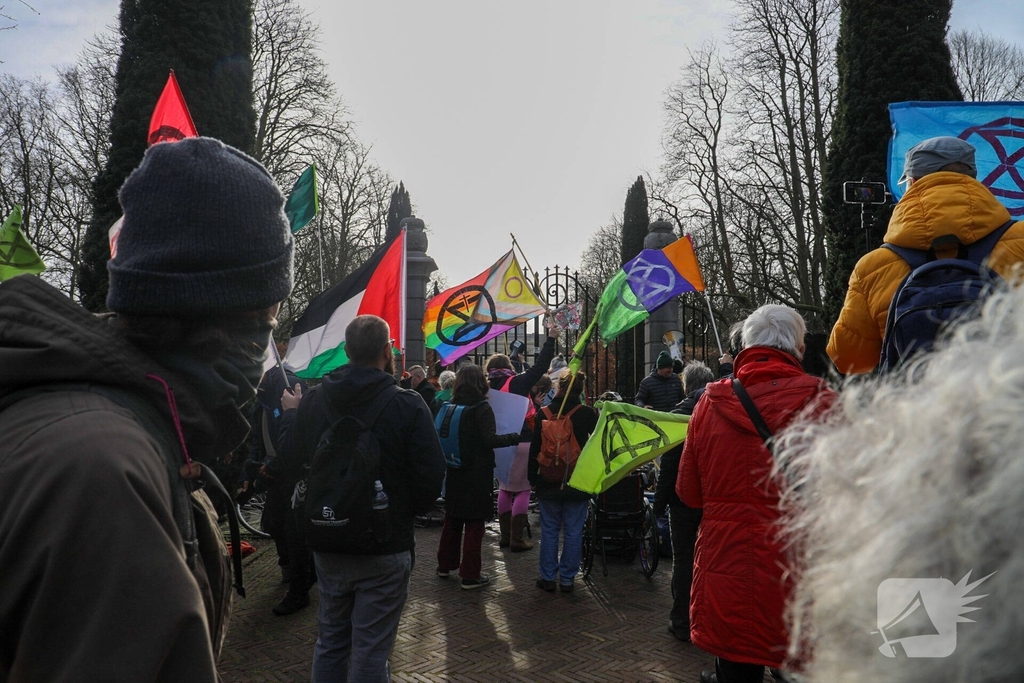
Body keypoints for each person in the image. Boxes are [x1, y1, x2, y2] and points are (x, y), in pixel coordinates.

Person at [0, 136, 294, 681]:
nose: (265, 348)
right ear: (229, 316)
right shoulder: (104, 477)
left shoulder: (104, 429)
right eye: (269, 322)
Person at [779, 284, 1024, 683]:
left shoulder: (876, 267)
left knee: (913, 642)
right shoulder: (1012, 241)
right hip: (969, 414)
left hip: (924, 460)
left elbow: (846, 355)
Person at [271, 315, 445, 682]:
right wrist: (400, 511)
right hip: (385, 543)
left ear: (346, 352)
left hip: (327, 535)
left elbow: (287, 462)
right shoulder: (408, 405)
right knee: (370, 649)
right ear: (387, 351)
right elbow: (431, 477)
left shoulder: (314, 401)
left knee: (331, 640)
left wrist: (290, 415)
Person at [678, 305, 836, 683]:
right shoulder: (825, 402)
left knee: (735, 667)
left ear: (744, 347)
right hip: (798, 571)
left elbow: (688, 493)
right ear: (798, 349)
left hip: (727, 567)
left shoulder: (708, 405)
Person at [828, 136, 1024, 375]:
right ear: (971, 178)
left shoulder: (872, 267)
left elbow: (849, 358)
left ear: (911, 182)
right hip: (1008, 402)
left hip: (917, 408)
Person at [435, 364, 521, 589]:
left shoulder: (450, 405)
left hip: (454, 469)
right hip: (476, 473)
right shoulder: (481, 407)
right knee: (474, 524)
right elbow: (490, 440)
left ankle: (444, 565)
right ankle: (470, 574)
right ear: (480, 382)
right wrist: (515, 436)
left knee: (452, 519)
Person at [243, 362, 314, 616]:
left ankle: (299, 588)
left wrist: (273, 465)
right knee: (273, 523)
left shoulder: (288, 385)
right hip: (274, 472)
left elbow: (296, 438)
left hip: (292, 474)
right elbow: (258, 436)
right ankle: (298, 570)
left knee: (294, 532)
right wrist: (249, 472)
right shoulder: (262, 394)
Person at [653, 360, 715, 642]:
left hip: (682, 500)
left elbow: (668, 464)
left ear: (686, 386)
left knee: (683, 561)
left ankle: (681, 621)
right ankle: (709, 619)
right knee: (713, 561)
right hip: (715, 499)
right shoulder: (722, 409)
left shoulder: (679, 415)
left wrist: (659, 502)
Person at [487, 325, 558, 552]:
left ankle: (504, 537)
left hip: (499, 445)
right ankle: (517, 539)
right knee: (524, 489)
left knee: (505, 488)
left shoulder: (487, 386)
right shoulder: (516, 382)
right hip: (522, 440)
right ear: (508, 368)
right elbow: (540, 367)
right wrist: (551, 339)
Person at [528, 370, 599, 593]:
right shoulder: (587, 413)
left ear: (559, 386)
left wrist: (533, 478)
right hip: (576, 481)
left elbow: (535, 448)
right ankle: (568, 579)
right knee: (574, 530)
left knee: (549, 529)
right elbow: (596, 447)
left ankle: (548, 577)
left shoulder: (544, 412)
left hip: (548, 479)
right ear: (581, 389)